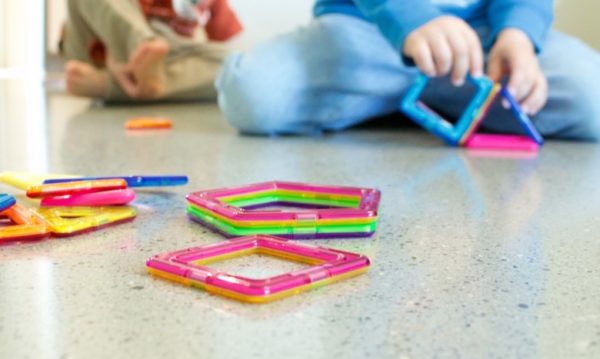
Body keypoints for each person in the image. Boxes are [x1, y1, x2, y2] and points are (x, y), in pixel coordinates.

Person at [216, 0, 600, 140]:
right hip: (364, 33)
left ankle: (433, 102)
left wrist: (518, 34)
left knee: (591, 97)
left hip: (485, 43)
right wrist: (409, 16)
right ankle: (398, 101)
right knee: (255, 94)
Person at [61, 0, 242, 101]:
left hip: (167, 59)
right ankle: (143, 46)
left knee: (235, 67)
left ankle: (108, 85)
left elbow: (215, 51)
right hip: (101, 49)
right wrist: (118, 53)